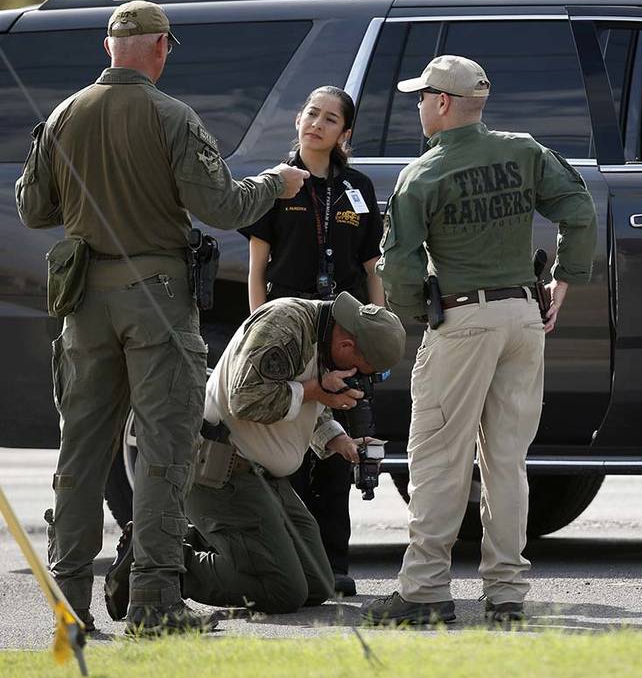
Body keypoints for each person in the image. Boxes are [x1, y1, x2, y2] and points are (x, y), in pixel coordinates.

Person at [14, 0, 309, 636]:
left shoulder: (63, 115)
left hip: (83, 306)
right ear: (161, 47)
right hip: (156, 300)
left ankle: (68, 607)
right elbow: (222, 205)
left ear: (108, 47)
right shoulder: (171, 116)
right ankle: (154, 602)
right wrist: (277, 185)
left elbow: (34, 210)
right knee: (164, 451)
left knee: (82, 452)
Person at [363, 55, 597, 625]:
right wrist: (564, 278)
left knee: (439, 458)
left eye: (423, 97)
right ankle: (507, 593)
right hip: (523, 317)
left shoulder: (422, 173)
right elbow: (579, 209)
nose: (418, 105)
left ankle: (423, 591)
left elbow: (398, 264)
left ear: (443, 103)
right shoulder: (523, 150)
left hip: (464, 320)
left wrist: (424, 313)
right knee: (507, 462)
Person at [105, 292, 405, 616]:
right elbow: (245, 398)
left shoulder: (323, 338)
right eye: (360, 369)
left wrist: (338, 439)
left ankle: (207, 542)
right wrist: (316, 391)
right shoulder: (285, 325)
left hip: (264, 478)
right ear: (346, 346)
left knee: (317, 583)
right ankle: (157, 561)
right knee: (282, 591)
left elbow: (304, 401)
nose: (357, 379)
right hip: (222, 473)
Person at [242, 86, 384, 596]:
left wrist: (378, 331)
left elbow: (371, 269)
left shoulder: (357, 187)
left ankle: (333, 563)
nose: (316, 124)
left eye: (330, 119)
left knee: (337, 450)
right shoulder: (277, 183)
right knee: (291, 450)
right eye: (310, 113)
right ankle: (293, 563)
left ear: (344, 133)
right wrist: (258, 333)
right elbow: (258, 268)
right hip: (289, 329)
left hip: (343, 335)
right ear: (298, 120)